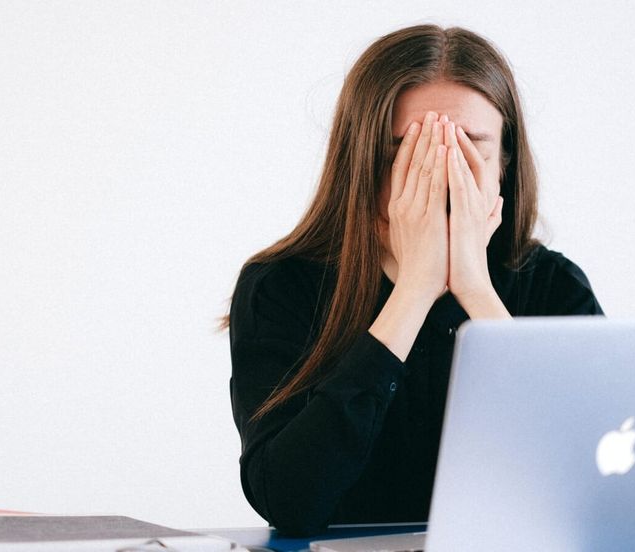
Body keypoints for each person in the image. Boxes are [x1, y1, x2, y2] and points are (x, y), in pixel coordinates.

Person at [217, 24, 604, 536]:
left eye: (471, 149)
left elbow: (590, 482)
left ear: (505, 164)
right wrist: (414, 291)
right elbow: (290, 500)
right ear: (363, 163)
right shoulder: (280, 287)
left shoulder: (553, 285)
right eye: (411, 151)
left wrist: (474, 289)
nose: (442, 174)